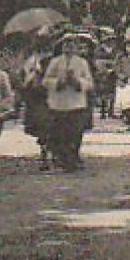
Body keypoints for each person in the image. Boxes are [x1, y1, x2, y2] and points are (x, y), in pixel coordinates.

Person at [42, 35, 95, 172]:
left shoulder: (82, 62)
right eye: (66, 44)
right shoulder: (55, 62)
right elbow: (46, 80)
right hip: (58, 103)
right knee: (59, 133)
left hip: (76, 102)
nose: (69, 47)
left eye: (72, 44)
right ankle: (61, 159)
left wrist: (77, 82)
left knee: (75, 133)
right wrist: (59, 82)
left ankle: (73, 158)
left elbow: (89, 82)